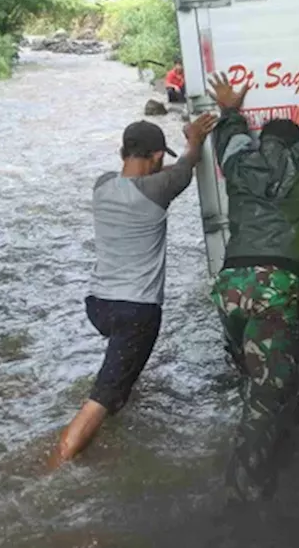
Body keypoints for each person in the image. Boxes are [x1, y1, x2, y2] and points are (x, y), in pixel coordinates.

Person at [207, 68, 299, 501]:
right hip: (276, 285)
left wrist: (230, 108)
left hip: (231, 284)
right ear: (296, 142)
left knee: (252, 376)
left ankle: (256, 456)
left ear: (262, 140)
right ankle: (244, 488)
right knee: (267, 392)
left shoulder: (238, 163)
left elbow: (227, 138)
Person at [51, 114, 216, 467]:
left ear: (121, 151)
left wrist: (167, 156)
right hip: (136, 311)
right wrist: (193, 140)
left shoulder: (102, 184)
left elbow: (159, 172)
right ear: (157, 156)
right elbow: (187, 163)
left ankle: (117, 405)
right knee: (101, 399)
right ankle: (56, 462)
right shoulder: (160, 189)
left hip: (98, 305)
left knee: (122, 378)